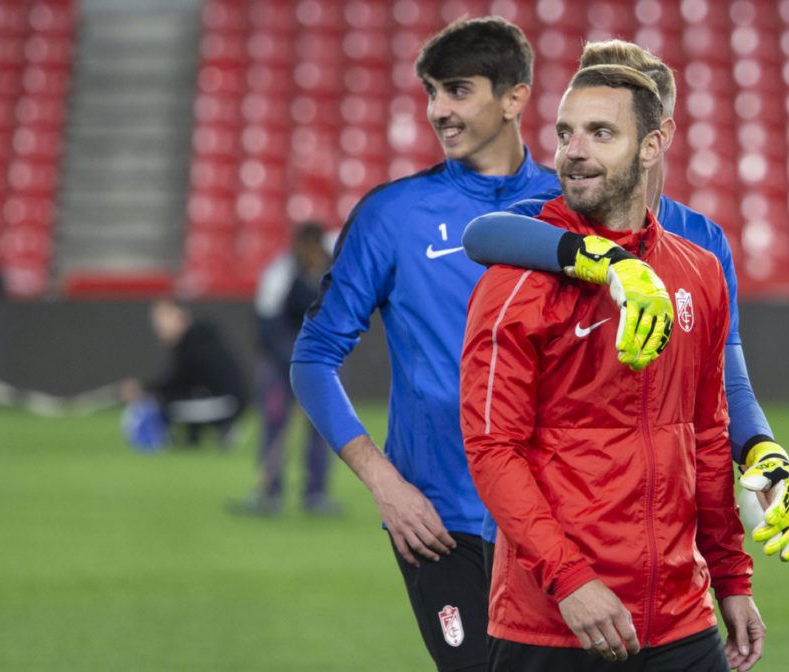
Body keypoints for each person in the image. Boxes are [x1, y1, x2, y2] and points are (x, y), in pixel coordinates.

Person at [289, 17, 669, 671]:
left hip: (570, 519)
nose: (439, 111)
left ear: (514, 98)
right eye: (433, 93)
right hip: (442, 523)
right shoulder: (393, 215)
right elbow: (313, 358)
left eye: (458, 91)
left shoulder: (576, 201)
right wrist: (384, 483)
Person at [461, 64, 764, 672]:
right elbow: (492, 449)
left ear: (653, 144)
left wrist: (730, 576)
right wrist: (569, 580)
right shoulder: (517, 278)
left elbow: (705, 437)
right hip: (555, 624)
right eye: (565, 133)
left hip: (683, 619)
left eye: (601, 133)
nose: (574, 152)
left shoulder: (699, 272)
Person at [235, 222, 341, 515]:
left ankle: (315, 494)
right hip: (281, 362)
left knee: (322, 427)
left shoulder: (332, 270)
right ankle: (271, 493)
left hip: (321, 362)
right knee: (274, 420)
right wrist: (294, 362)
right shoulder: (279, 272)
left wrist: (318, 359)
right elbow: (267, 327)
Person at [121, 299, 248, 448]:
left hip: (228, 403)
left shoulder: (196, 343)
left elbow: (177, 381)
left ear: (182, 315)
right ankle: (195, 437)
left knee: (168, 406)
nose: (159, 324)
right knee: (175, 400)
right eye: (156, 319)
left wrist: (142, 389)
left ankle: (225, 426)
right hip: (217, 398)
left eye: (166, 316)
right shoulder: (191, 341)